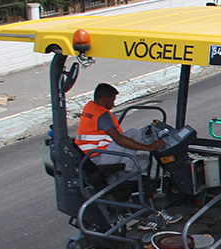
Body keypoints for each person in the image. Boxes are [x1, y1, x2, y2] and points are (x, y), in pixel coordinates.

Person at [76, 83, 180, 227]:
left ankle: (144, 210)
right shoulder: (103, 114)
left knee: (144, 162)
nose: (113, 104)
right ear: (104, 99)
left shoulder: (89, 108)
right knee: (134, 135)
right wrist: (148, 146)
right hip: (100, 158)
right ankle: (145, 208)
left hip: (92, 158)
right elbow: (119, 139)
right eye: (112, 100)